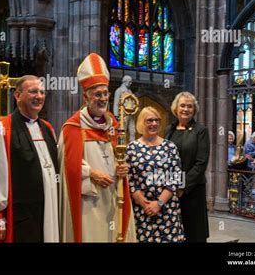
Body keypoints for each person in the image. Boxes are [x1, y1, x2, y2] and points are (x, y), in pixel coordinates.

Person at [59, 53, 136, 242]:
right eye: (97, 94)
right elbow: (65, 166)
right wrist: (92, 173)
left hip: (112, 197)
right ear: (86, 97)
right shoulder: (73, 127)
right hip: (87, 201)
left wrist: (123, 168)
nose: (103, 98)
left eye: (105, 93)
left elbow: (119, 158)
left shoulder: (114, 125)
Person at [0, 75, 59, 242]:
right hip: (19, 215)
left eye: (42, 92)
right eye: (33, 92)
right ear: (17, 95)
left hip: (49, 209)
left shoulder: (48, 128)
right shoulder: (1, 129)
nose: (39, 96)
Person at [126, 106, 185, 243]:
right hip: (142, 210)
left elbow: (176, 178)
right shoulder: (131, 148)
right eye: (149, 120)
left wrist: (158, 204)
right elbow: (129, 180)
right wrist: (143, 203)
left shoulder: (170, 147)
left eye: (157, 120)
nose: (154, 124)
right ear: (141, 122)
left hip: (167, 209)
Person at [165, 91, 210, 243]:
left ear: (194, 110)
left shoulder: (200, 131)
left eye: (189, 106)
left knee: (193, 232)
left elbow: (201, 163)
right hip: (171, 190)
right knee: (173, 230)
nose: (186, 109)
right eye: (182, 105)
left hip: (192, 190)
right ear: (176, 108)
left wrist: (183, 187)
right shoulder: (169, 130)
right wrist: (170, 186)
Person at [113, 75, 136, 142]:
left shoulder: (130, 91)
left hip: (131, 113)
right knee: (123, 131)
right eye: (130, 82)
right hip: (122, 114)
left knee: (133, 131)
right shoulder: (119, 90)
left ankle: (132, 146)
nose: (131, 83)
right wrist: (116, 115)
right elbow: (116, 103)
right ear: (125, 81)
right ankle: (121, 147)